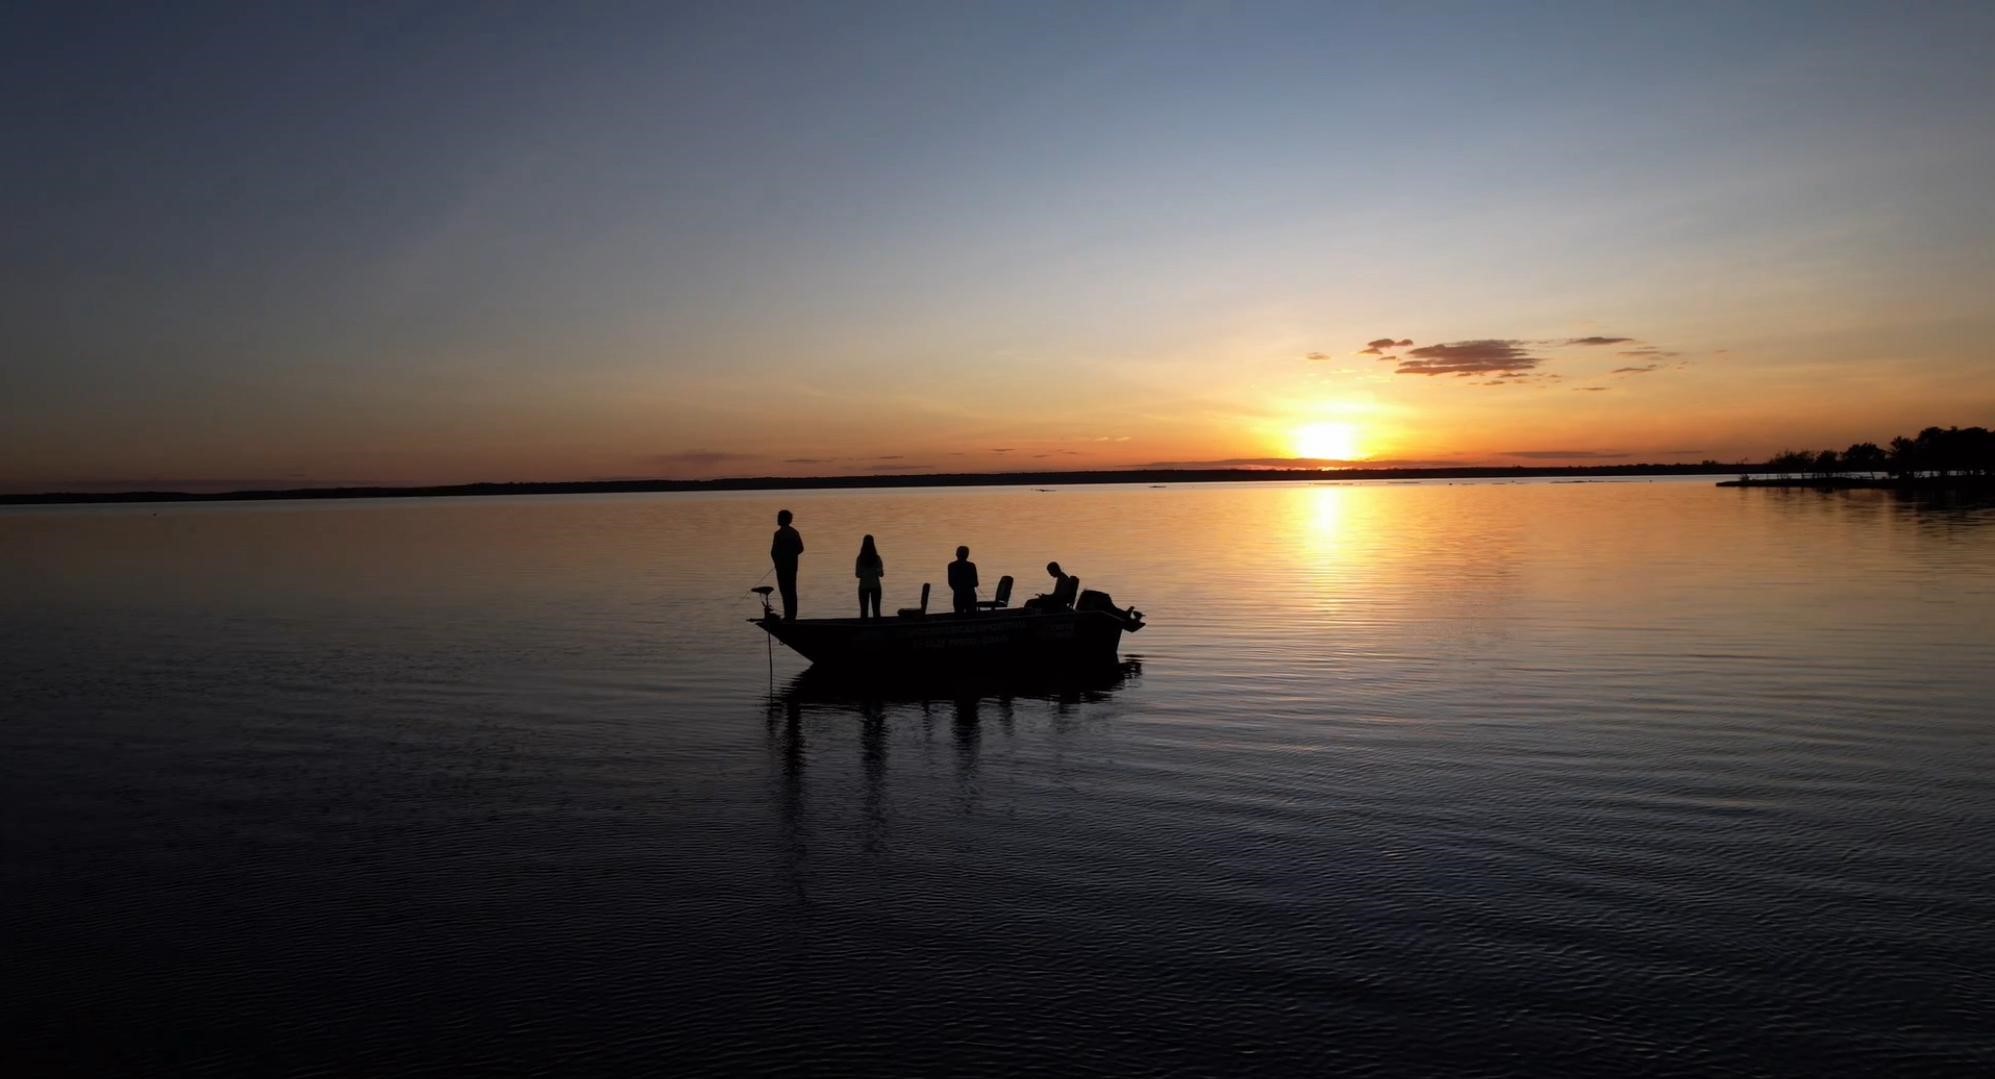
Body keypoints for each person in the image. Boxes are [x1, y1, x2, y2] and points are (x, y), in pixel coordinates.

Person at [770, 509, 804, 620]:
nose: (777, 519)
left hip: (782, 569)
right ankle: (792, 616)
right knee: (792, 591)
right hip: (792, 567)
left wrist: (778, 562)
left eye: (779, 517)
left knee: (785, 591)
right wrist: (791, 555)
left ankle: (788, 616)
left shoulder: (778, 534)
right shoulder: (794, 532)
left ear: (784, 519)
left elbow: (774, 552)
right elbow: (800, 548)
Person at [854, 534, 884, 619]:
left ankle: (863, 628)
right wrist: (875, 571)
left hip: (863, 587)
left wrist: (865, 573)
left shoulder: (860, 558)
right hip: (876, 586)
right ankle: (878, 629)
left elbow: (857, 574)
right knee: (876, 611)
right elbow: (881, 574)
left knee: (863, 612)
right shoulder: (877, 558)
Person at [947, 545, 979, 615]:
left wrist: (958, 589)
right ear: (967, 555)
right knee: (971, 615)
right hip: (969, 595)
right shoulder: (971, 565)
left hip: (958, 595)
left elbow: (951, 583)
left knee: (959, 615)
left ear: (956, 554)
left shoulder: (951, 566)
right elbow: (976, 583)